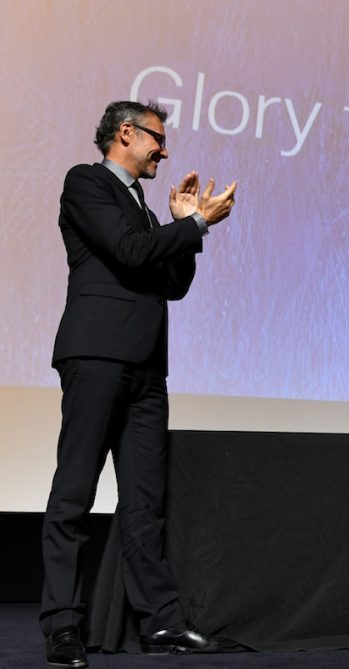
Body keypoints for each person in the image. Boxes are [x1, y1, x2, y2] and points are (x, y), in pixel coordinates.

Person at [40, 100, 238, 667]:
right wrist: (193, 223)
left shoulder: (147, 212)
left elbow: (173, 284)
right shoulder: (86, 184)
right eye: (157, 138)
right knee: (74, 493)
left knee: (145, 504)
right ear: (124, 133)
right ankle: (62, 626)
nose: (165, 150)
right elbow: (128, 254)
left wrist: (182, 225)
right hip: (97, 355)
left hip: (149, 368)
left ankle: (161, 624)